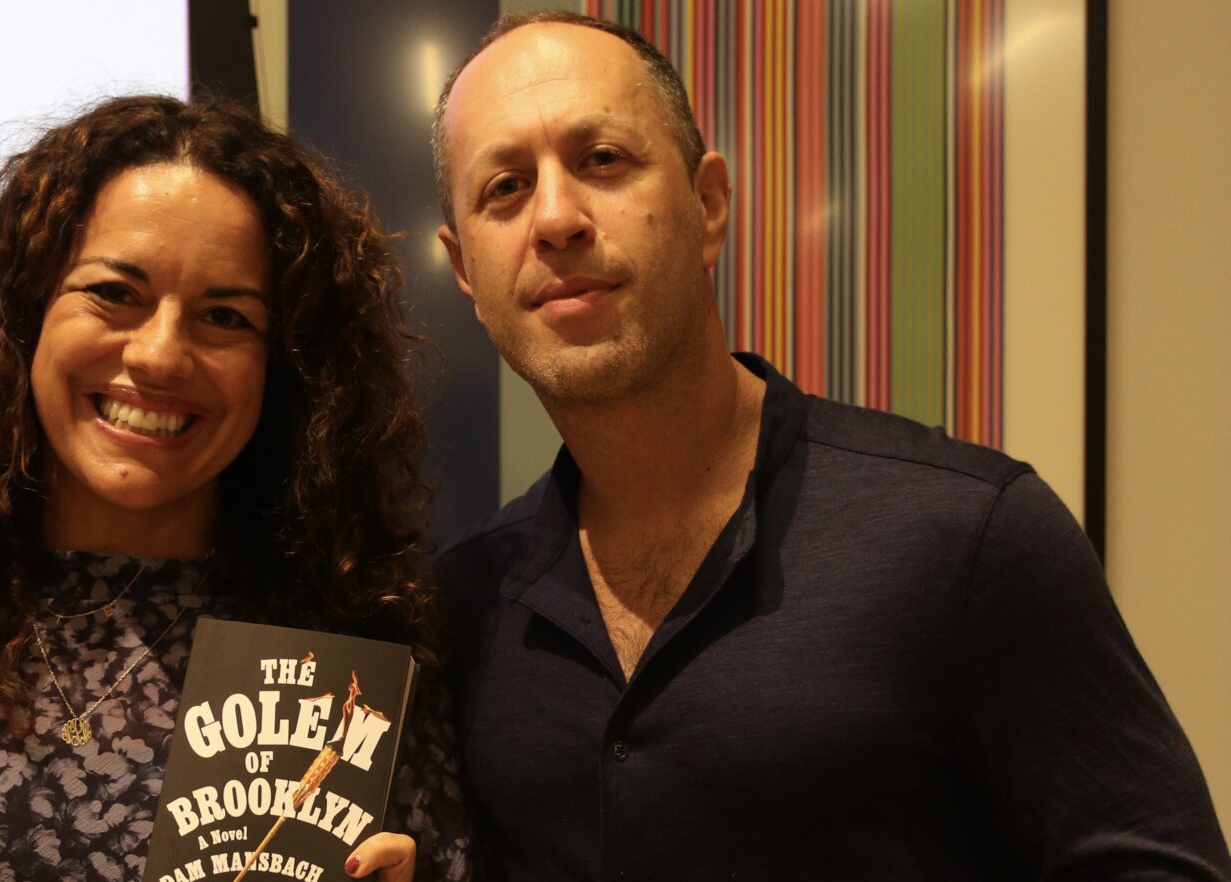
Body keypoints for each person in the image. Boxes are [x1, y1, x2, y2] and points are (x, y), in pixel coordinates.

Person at [430, 11, 1230, 880]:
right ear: (466, 270)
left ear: (708, 206)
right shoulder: (462, 611)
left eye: (603, 160)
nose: (555, 216)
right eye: (504, 187)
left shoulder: (969, 538)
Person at [0, 95, 469, 882]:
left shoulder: (359, 656)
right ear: (25, 318)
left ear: (287, 371)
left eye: (224, 316)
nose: (162, 355)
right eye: (113, 294)